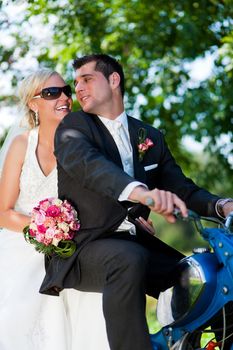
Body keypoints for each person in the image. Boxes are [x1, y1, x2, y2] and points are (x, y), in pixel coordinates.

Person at [40, 54, 233, 350]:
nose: (77, 88)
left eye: (87, 79)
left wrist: (221, 206)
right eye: (76, 82)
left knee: (202, 275)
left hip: (136, 242)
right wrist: (144, 194)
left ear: (114, 80)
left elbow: (182, 188)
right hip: (83, 248)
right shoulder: (73, 127)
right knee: (127, 259)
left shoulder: (149, 136)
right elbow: (91, 167)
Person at [0, 68, 110, 350]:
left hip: (70, 247)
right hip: (22, 245)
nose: (63, 97)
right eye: (51, 93)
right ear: (33, 103)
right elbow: (3, 211)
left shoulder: (79, 144)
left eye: (66, 91)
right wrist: (43, 231)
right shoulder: (21, 145)